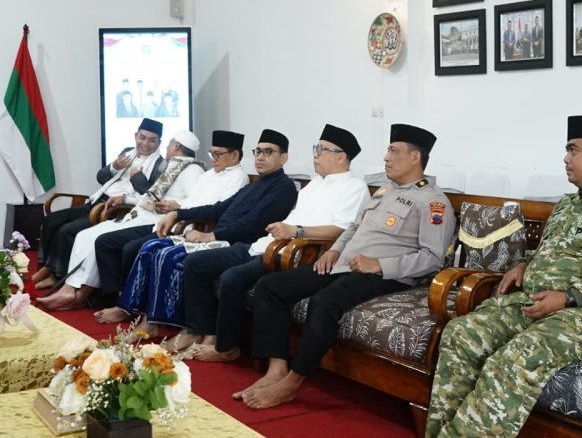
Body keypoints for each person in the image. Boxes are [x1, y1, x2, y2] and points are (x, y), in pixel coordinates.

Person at [425, 116, 582, 437]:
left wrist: (567, 298)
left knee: (520, 356)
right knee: (462, 334)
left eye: (573, 150)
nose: (565, 158)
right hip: (539, 302)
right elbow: (553, 252)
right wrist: (525, 264)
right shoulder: (568, 204)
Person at [235, 124, 456, 409]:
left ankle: (292, 382)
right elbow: (354, 228)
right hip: (344, 264)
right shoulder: (383, 192)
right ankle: (276, 369)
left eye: (393, 151)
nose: (386, 157)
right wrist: (335, 251)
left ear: (415, 158)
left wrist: (379, 264)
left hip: (388, 275)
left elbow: (432, 257)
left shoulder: (434, 202)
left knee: (325, 302)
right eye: (388, 150)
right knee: (271, 286)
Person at [187, 124, 371, 361]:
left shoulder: (354, 188)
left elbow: (342, 230)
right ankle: (203, 333)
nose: (315, 153)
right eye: (316, 148)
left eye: (322, 149)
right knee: (196, 263)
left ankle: (227, 348)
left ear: (341, 157)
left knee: (231, 278)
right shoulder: (314, 184)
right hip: (266, 245)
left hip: (294, 253)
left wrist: (297, 231)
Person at [111, 129, 297, 347]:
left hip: (240, 244)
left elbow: (253, 225)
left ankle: (188, 328)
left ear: (283, 158)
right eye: (258, 151)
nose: (260, 157)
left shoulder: (284, 188)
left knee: (169, 256)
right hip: (222, 237)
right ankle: (149, 320)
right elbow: (219, 209)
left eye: (268, 152)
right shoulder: (256, 185)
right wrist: (178, 214)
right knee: (152, 247)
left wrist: (211, 235)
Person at [93, 130, 250, 323]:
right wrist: (177, 211)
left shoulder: (238, 178)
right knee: (129, 246)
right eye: (212, 154)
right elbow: (191, 201)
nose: (213, 159)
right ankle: (128, 305)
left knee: (136, 248)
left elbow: (218, 210)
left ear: (234, 155)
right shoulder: (209, 175)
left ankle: (135, 310)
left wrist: (179, 211)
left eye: (218, 154)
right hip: (178, 222)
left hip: (197, 230)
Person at [37, 130, 204, 310]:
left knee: (99, 240)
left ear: (177, 146)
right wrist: (126, 199)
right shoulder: (173, 166)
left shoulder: (192, 170)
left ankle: (80, 294)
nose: (167, 147)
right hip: (139, 214)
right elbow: (151, 197)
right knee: (85, 236)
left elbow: (197, 201)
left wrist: (176, 205)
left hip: (155, 221)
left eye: (169, 143)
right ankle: (70, 287)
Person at [32, 118, 164, 289]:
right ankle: (47, 267)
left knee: (67, 231)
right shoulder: (127, 152)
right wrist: (114, 167)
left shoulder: (160, 165)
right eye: (142, 137)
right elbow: (101, 178)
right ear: (135, 136)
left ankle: (57, 274)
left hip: (116, 209)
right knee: (52, 220)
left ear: (159, 142)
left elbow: (150, 196)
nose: (145, 144)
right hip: (97, 200)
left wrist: (136, 177)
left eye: (152, 140)